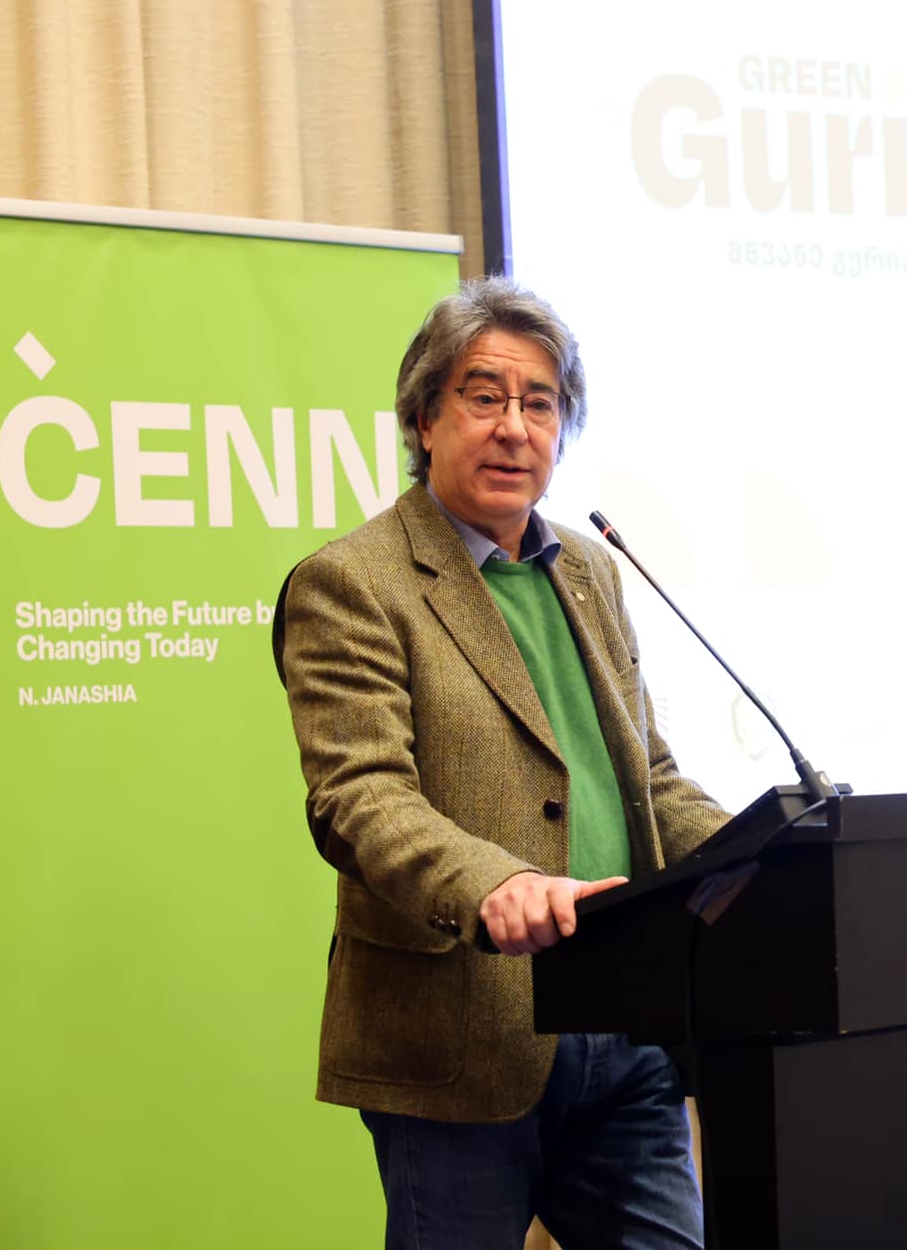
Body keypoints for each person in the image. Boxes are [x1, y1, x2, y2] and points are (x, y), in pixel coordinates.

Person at [273, 276, 728, 1249]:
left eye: (540, 403)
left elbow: (646, 780)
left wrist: (772, 854)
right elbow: (361, 797)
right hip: (461, 1039)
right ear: (424, 418)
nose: (514, 427)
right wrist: (494, 883)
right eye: (484, 396)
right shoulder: (352, 583)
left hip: (624, 1031)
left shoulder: (589, 570)